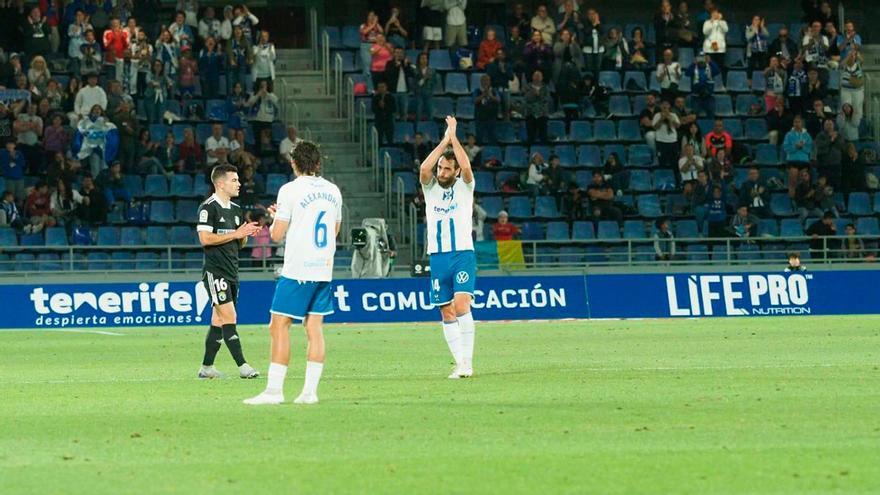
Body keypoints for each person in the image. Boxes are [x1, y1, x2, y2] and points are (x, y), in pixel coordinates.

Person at [243, 141, 343, 405]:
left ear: (294, 163)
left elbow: (276, 235)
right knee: (314, 327)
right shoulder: (333, 190)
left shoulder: (289, 190)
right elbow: (334, 231)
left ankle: (274, 392)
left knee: (279, 325)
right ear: (318, 163)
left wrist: (277, 218)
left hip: (299, 267)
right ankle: (309, 393)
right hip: (324, 267)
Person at [416, 116, 477, 379]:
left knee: (462, 305)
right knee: (446, 309)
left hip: (462, 253)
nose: (441, 172)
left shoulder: (465, 187)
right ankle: (460, 362)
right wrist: (443, 142)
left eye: (446, 169)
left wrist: (454, 137)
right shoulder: (430, 189)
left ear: (454, 173)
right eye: (440, 168)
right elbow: (423, 170)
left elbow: (465, 165)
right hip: (438, 256)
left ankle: (468, 363)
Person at [196, 164, 262, 380]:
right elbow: (205, 239)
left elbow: (237, 243)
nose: (239, 183)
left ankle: (206, 367)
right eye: (234, 180)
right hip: (216, 272)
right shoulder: (208, 208)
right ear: (220, 184)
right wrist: (236, 233)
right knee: (230, 316)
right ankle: (243, 366)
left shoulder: (235, 209)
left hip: (232, 271)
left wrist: (245, 234)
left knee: (218, 320)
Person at [783, 115, 813, 195]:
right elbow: (786, 148)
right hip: (792, 161)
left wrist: (802, 147)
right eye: (795, 122)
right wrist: (795, 147)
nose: (797, 124)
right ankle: (792, 203)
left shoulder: (807, 136)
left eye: (798, 122)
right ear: (793, 123)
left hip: (804, 161)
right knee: (792, 183)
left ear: (802, 123)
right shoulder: (788, 135)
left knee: (802, 183)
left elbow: (809, 149)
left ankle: (800, 202)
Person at [384, 47, 415, 121]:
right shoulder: (389, 63)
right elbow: (388, 75)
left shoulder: (406, 64)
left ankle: (404, 127)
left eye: (401, 53)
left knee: (404, 112)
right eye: (397, 53)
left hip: (404, 92)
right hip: (393, 91)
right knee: (393, 112)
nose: (399, 55)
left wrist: (406, 65)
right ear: (394, 54)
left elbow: (412, 74)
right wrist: (396, 67)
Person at [815, 119, 845, 188]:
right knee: (823, 184)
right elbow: (820, 145)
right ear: (824, 126)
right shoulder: (820, 135)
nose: (829, 126)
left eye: (830, 124)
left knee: (836, 183)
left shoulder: (839, 135)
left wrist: (835, 138)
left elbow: (841, 146)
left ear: (834, 126)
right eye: (827, 125)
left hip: (836, 164)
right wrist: (830, 139)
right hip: (824, 164)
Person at [653, 99, 680, 173]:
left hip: (672, 141)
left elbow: (678, 126)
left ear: (669, 106)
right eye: (663, 104)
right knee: (662, 162)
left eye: (666, 104)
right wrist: (661, 119)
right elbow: (655, 127)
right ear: (660, 106)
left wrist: (670, 119)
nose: (665, 106)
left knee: (674, 162)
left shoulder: (673, 115)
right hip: (661, 141)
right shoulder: (657, 115)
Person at [688, 53, 719, 117]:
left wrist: (710, 62)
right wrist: (693, 63)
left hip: (709, 96)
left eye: (703, 58)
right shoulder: (694, 67)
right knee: (694, 115)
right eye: (700, 58)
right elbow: (687, 73)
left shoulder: (710, 67)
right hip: (696, 96)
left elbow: (717, 71)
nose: (701, 60)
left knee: (711, 115)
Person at [524, 70, 551, 144]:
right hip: (530, 113)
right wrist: (534, 95)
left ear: (542, 78)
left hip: (542, 114)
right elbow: (527, 98)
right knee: (531, 136)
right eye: (536, 76)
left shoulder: (545, 87)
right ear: (532, 77)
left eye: (539, 76)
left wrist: (539, 95)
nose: (537, 78)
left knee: (543, 136)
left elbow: (546, 99)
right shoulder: (527, 87)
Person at [838, 48, 864, 125]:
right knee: (845, 106)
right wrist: (849, 55)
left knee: (857, 109)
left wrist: (856, 53)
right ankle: (844, 123)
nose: (851, 57)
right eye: (850, 56)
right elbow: (841, 64)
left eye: (853, 56)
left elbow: (862, 60)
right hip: (846, 90)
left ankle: (856, 125)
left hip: (858, 91)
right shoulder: (844, 66)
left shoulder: (858, 64)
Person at [474, 74, 499, 144]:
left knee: (493, 137)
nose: (485, 82)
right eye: (484, 80)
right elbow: (474, 101)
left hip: (491, 118)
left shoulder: (494, 91)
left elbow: (498, 100)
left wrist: (490, 96)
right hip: (480, 118)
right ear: (481, 82)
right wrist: (483, 95)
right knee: (479, 138)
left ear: (490, 82)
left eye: (487, 80)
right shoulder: (477, 91)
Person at [413, 52, 437, 123]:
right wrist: (424, 78)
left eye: (425, 58)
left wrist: (431, 90)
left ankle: (430, 126)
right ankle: (418, 126)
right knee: (418, 111)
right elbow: (415, 84)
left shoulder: (432, 71)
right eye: (422, 58)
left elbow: (434, 82)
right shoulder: (415, 70)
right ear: (419, 60)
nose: (424, 60)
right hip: (418, 93)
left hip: (429, 94)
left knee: (431, 111)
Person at [372, 81, 395, 145]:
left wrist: (385, 106)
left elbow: (394, 109)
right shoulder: (375, 98)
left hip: (388, 120)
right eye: (379, 87)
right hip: (379, 121)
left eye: (382, 87)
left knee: (390, 139)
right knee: (379, 139)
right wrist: (379, 107)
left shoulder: (390, 97)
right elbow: (373, 109)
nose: (381, 89)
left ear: (386, 87)